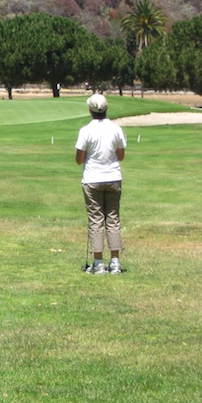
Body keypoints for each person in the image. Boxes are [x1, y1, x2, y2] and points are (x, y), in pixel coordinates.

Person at [75, 93, 126, 274]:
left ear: (90, 110)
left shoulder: (85, 130)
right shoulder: (115, 128)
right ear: (106, 109)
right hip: (113, 177)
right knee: (113, 219)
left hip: (92, 179)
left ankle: (98, 263)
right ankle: (115, 262)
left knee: (96, 220)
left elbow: (79, 159)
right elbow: (120, 155)